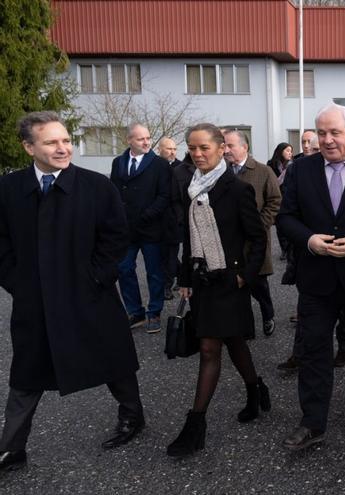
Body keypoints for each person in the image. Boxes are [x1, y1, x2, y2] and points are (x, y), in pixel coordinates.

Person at [0, 111, 146, 472]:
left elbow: (116, 238)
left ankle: (133, 416)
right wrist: (17, 282)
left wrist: (96, 278)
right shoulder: (8, 189)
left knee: (113, 361)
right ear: (28, 146)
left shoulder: (97, 187)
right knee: (26, 373)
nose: (63, 148)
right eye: (51, 142)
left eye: (66, 140)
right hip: (35, 302)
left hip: (89, 295)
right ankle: (12, 447)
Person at [276, 103, 345, 449]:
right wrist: (308, 239)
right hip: (318, 278)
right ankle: (313, 421)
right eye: (321, 132)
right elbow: (286, 217)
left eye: (334, 132)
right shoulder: (300, 169)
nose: (326, 140)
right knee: (314, 350)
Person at [167, 123, 269, 458]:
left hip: (230, 282)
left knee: (210, 347)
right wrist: (184, 279)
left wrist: (245, 278)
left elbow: (257, 238)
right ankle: (256, 390)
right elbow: (187, 235)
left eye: (204, 148)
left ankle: (195, 424)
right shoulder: (190, 187)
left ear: (221, 147)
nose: (197, 155)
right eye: (192, 149)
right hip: (202, 281)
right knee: (233, 341)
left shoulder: (237, 189)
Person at [109, 123, 171, 333]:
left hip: (151, 228)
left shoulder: (160, 164)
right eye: (140, 139)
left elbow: (164, 196)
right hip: (126, 230)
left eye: (148, 138)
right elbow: (114, 193)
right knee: (124, 268)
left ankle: (154, 313)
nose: (146, 142)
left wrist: (146, 215)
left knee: (154, 272)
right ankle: (135, 312)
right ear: (129, 140)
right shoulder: (118, 163)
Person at [223, 129, 282, 337]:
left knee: (257, 283)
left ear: (244, 147)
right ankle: (241, 324)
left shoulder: (263, 171)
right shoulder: (222, 171)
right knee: (235, 284)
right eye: (224, 146)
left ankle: (268, 315)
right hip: (230, 240)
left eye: (230, 146)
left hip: (255, 240)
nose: (226, 150)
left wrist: (260, 225)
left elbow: (275, 201)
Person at [157, 137, 183, 300]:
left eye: (174, 149)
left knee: (171, 255)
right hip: (157, 219)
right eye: (168, 149)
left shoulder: (181, 167)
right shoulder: (154, 166)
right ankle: (182, 275)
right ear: (160, 149)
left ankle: (166, 286)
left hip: (174, 220)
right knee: (162, 254)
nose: (172, 152)